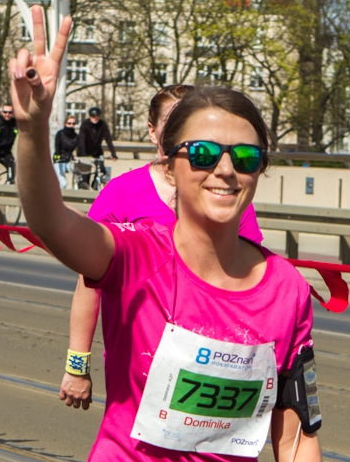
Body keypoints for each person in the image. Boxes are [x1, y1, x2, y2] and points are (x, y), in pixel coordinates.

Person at [10, 8, 345, 462]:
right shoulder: (131, 255)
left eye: (245, 157)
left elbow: (296, 442)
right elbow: (47, 219)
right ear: (170, 164)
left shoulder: (287, 290)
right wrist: (34, 131)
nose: (225, 169)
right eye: (204, 152)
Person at [58, 84, 265, 410]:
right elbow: (88, 283)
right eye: (173, 119)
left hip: (211, 360)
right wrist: (77, 365)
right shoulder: (121, 192)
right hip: (137, 363)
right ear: (153, 131)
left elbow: (250, 281)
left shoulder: (225, 195)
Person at [54, 115, 79, 188]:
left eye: (73, 124)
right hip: (59, 161)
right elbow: (57, 147)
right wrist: (57, 158)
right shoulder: (60, 134)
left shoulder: (76, 136)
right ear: (65, 124)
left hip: (69, 160)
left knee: (78, 178)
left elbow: (80, 148)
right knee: (63, 183)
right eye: (69, 123)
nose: (71, 125)